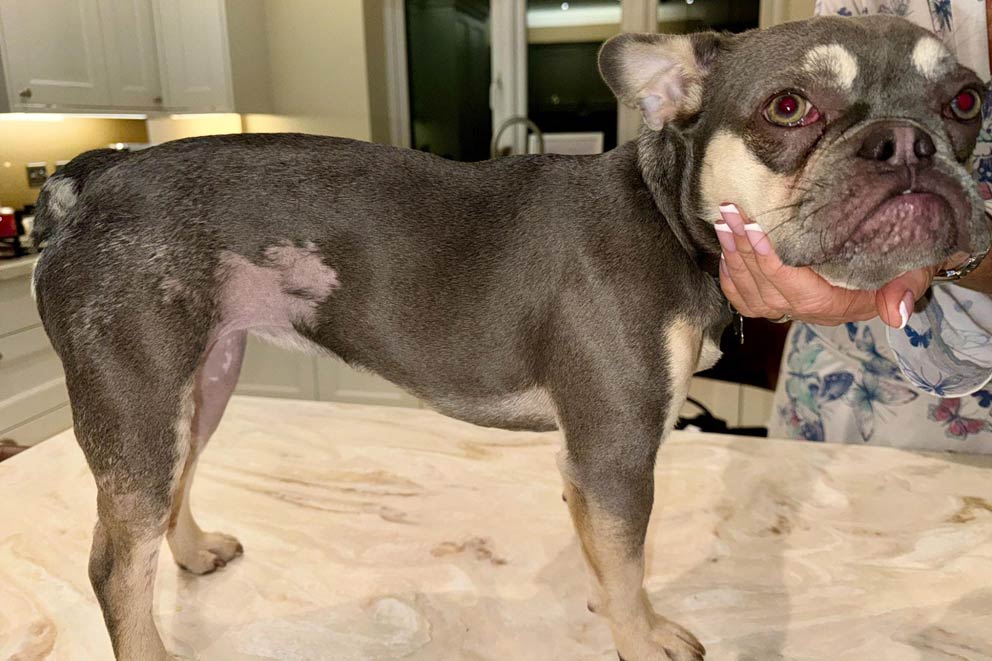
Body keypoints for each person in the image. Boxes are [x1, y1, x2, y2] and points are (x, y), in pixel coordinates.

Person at [717, 0, 992, 452]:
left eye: (960, 104)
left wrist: (960, 249)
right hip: (842, 382)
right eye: (793, 107)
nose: (903, 146)